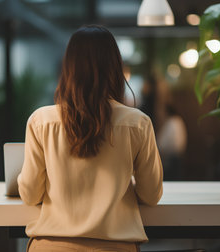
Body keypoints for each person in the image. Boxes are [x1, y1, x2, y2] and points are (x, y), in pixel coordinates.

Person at [17, 25, 163, 252]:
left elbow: (29, 194)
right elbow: (151, 195)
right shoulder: (138, 123)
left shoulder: (41, 121)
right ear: (116, 67)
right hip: (116, 248)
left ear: (69, 68)